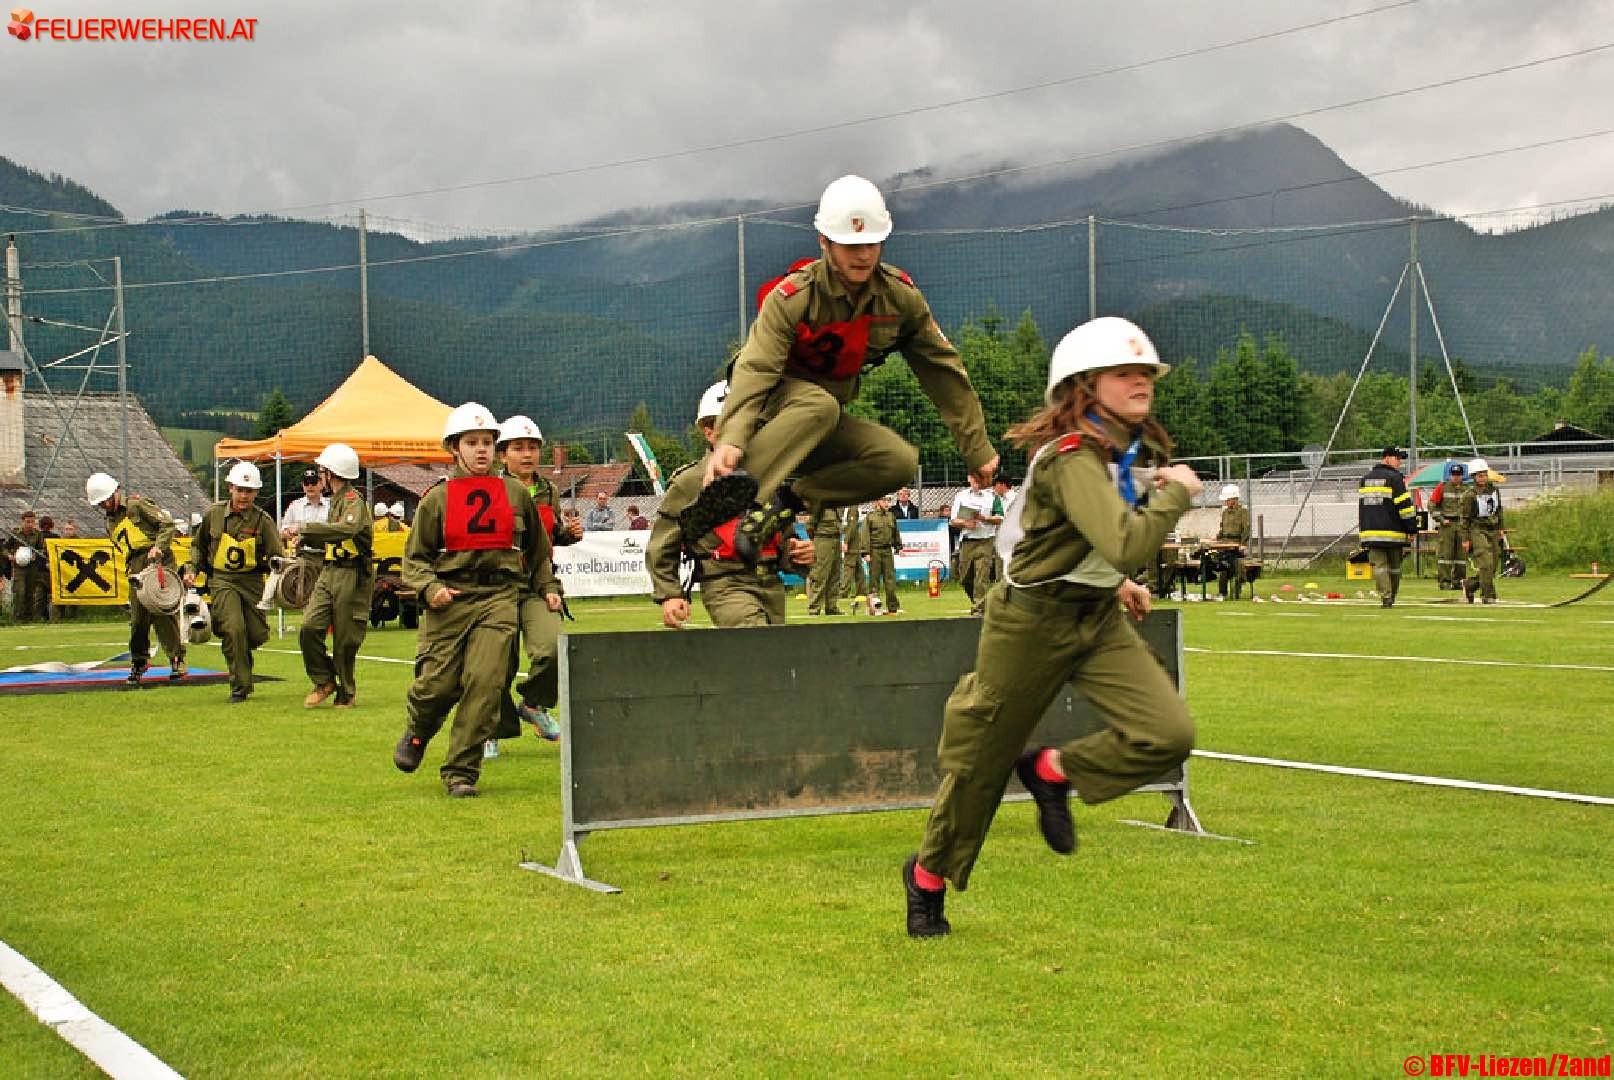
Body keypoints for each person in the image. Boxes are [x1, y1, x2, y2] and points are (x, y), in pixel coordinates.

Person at [903, 316, 1200, 938]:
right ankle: (929, 877)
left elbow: (1073, 538)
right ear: (1085, 386)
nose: (1142, 381)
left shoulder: (1125, 453)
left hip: (1095, 614)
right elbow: (1121, 540)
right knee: (981, 760)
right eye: (1126, 373)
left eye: (1146, 372)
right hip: (1031, 624)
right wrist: (1175, 497)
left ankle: (1053, 772)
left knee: (1168, 733)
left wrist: (1115, 582)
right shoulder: (1069, 458)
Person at [690, 174, 996, 565]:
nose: (863, 254)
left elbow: (944, 372)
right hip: (768, 407)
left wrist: (977, 449)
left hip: (822, 417)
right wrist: (731, 439)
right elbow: (757, 367)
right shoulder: (794, 297)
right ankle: (730, 502)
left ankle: (788, 500)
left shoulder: (900, 299)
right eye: (851, 244)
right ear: (824, 242)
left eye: (871, 243)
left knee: (898, 461)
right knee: (818, 404)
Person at [392, 403, 548, 797]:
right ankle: (418, 731)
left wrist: (549, 587)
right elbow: (414, 560)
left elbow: (537, 550)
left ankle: (461, 772)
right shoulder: (436, 499)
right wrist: (430, 589)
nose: (481, 450)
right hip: (450, 599)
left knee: (486, 683)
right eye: (472, 442)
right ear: (454, 448)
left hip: (499, 597)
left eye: (487, 442)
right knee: (437, 687)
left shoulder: (516, 493)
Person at [648, 381, 814, 629]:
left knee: (775, 659)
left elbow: (782, 538)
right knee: (756, 643)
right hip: (726, 584)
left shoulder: (769, 476)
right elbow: (662, 543)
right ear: (709, 431)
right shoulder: (690, 482)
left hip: (771, 585)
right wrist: (670, 593)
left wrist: (800, 553)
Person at [493, 414, 567, 744]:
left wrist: (566, 534)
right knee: (494, 663)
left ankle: (534, 704)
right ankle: (488, 728)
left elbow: (545, 538)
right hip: (497, 588)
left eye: (533, 447)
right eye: (518, 448)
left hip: (538, 584)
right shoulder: (490, 489)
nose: (527, 454)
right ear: (502, 454)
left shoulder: (549, 490)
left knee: (552, 649)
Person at [185, 462, 284, 703]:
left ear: (256, 493)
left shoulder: (263, 521)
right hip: (222, 580)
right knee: (234, 628)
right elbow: (198, 545)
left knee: (256, 634)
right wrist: (192, 569)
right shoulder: (214, 514)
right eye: (239, 489)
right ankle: (239, 685)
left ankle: (241, 654)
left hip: (252, 582)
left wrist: (281, 568)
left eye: (249, 491)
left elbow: (277, 555)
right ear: (230, 488)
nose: (243, 496)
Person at [85, 471, 188, 686]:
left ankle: (177, 659)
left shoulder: (137, 505)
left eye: (104, 501)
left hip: (157, 560)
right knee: (138, 618)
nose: (103, 506)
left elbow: (167, 525)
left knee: (163, 611)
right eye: (100, 504)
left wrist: (159, 548)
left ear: (114, 494)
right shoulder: (109, 523)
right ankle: (139, 661)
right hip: (135, 566)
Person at [291, 443, 373, 709]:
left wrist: (304, 528)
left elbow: (345, 530)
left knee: (345, 637)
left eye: (322, 471)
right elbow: (332, 535)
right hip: (330, 570)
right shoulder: (335, 502)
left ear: (331, 473)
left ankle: (346, 691)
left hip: (352, 573)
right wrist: (304, 541)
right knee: (309, 627)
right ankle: (324, 680)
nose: (319, 476)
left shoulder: (353, 501)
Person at [1357, 446, 1417, 608]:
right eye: (1397, 458)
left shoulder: (1365, 479)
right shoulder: (1395, 478)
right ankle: (1391, 595)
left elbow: (1363, 508)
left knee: (1379, 567)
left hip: (1371, 532)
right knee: (1395, 567)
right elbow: (1404, 507)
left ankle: (1386, 596)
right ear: (1387, 458)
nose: (1400, 462)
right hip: (1393, 532)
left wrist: (1363, 532)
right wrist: (1411, 528)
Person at [949, 476, 1000, 615]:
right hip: (967, 540)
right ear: (969, 479)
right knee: (965, 577)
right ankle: (980, 602)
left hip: (986, 540)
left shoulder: (992, 496)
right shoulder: (961, 496)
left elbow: (999, 517)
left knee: (981, 575)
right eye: (974, 479)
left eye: (980, 479)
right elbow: (953, 520)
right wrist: (966, 523)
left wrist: (984, 518)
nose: (977, 483)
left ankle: (979, 609)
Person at [1460, 457, 1505, 605]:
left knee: (1493, 565)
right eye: (1480, 475)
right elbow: (1465, 519)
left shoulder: (1494, 490)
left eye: (1485, 474)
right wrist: (1465, 539)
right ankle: (1488, 595)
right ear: (1473, 477)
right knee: (1485, 562)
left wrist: (1501, 528)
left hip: (1493, 529)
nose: (1483, 478)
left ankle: (1470, 585)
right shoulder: (1469, 495)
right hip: (1477, 529)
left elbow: (1499, 511)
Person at [1429, 461, 1467, 590]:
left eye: (1458, 474)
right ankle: (1445, 581)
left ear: (1462, 475)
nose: (1456, 477)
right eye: (1454, 474)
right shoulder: (1442, 487)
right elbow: (1432, 505)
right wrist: (1440, 519)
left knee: (1461, 556)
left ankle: (1459, 581)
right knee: (1446, 554)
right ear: (1450, 475)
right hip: (1447, 525)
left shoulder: (1467, 489)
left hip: (1462, 525)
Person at [863, 495, 904, 614]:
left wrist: (899, 547)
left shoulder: (891, 516)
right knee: (874, 581)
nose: (887, 503)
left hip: (887, 551)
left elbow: (895, 533)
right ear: (877, 502)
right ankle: (873, 608)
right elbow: (865, 535)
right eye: (884, 500)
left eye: (888, 501)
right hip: (874, 551)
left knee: (890, 580)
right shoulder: (870, 517)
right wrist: (865, 552)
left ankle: (893, 607)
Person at [1212, 484, 1251, 600]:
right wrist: (1216, 539)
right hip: (1224, 544)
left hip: (1236, 545)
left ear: (1234, 499)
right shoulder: (1224, 513)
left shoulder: (1243, 512)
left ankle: (1235, 589)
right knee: (1222, 566)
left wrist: (1243, 544)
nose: (1226, 502)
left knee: (1234, 566)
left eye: (1227, 500)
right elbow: (1222, 529)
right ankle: (1222, 593)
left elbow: (1246, 529)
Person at [8, 511, 49, 622]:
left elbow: (41, 549)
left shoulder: (38, 534)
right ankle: (16, 617)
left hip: (32, 567)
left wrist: (36, 554)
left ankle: (29, 617)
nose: (30, 524)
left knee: (30, 592)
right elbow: (5, 547)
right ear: (23, 522)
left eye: (32, 522)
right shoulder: (15, 533)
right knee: (19, 591)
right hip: (18, 568)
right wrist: (10, 555)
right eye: (27, 522)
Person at [806, 505, 845, 616]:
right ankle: (814, 608)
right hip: (823, 539)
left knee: (835, 575)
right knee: (820, 575)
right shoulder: (820, 506)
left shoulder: (839, 506)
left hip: (836, 539)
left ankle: (831, 607)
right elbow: (809, 525)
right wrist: (817, 540)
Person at [280, 467, 329, 538]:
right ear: (303, 485)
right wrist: (289, 532)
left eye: (313, 482)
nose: (310, 486)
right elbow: (283, 530)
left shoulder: (330, 505)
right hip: (301, 547)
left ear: (321, 485)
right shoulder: (294, 506)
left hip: (325, 547)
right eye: (306, 483)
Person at [840, 504, 869, 602]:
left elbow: (852, 526)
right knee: (858, 568)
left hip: (852, 542)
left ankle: (843, 591)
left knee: (848, 566)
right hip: (855, 542)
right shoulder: (850, 508)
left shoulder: (852, 508)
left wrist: (846, 541)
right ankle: (862, 591)